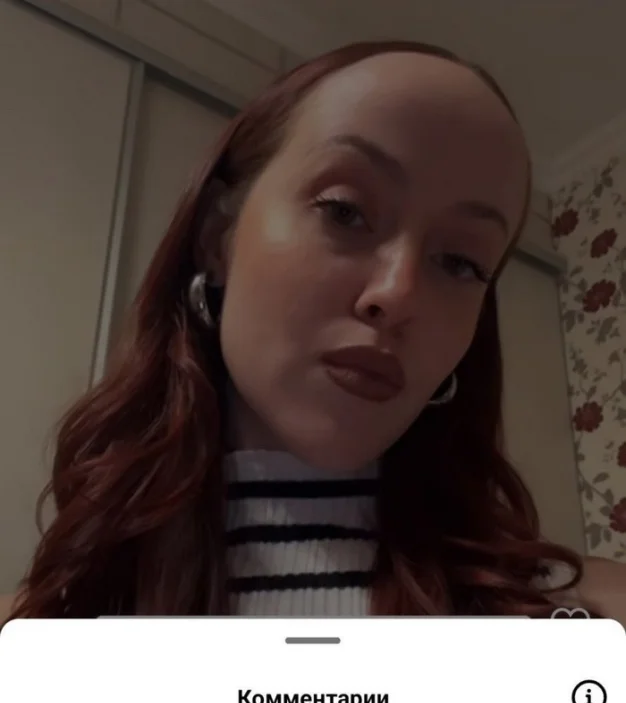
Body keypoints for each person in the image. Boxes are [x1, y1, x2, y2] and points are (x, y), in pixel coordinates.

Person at [3, 40, 625, 622]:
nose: (397, 295)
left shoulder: (584, 621)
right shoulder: (39, 640)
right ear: (218, 236)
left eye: (461, 262)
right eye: (345, 211)